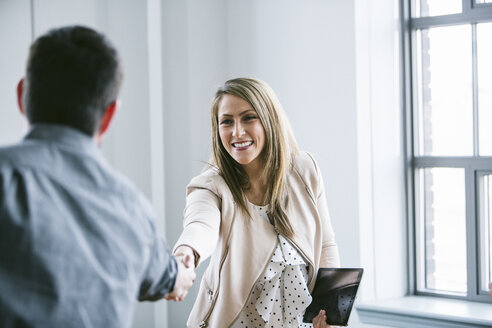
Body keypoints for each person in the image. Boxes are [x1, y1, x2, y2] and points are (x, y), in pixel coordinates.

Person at [0, 25, 195, 327]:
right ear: (109, 116)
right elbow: (171, 278)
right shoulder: (131, 209)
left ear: (22, 95)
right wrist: (184, 269)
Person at [173, 77, 340, 328]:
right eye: (226, 121)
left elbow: (325, 245)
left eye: (248, 117)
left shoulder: (305, 170)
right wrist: (185, 256)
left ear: (269, 120)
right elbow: (200, 226)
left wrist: (330, 311)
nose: (237, 132)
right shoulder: (210, 186)